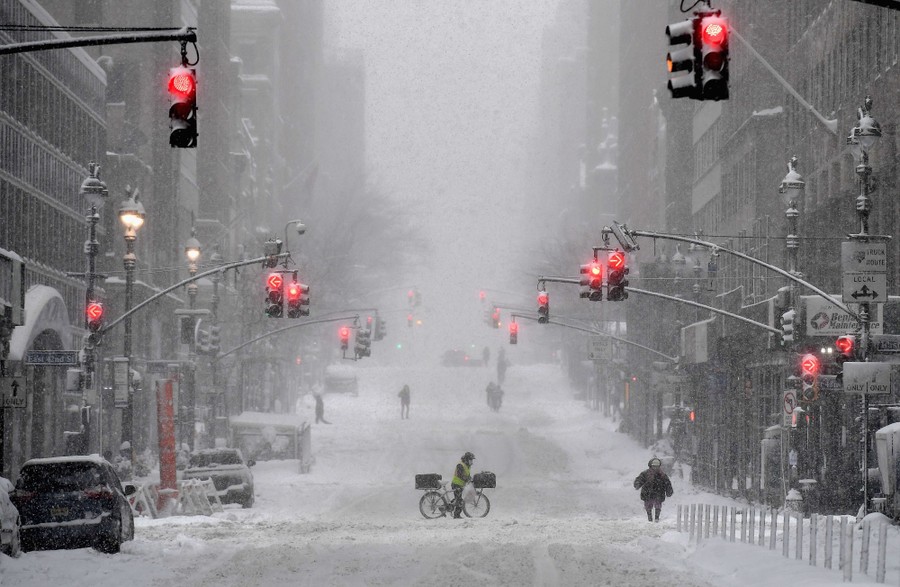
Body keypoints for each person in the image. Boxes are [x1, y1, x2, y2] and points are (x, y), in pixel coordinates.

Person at [633, 457, 674, 522]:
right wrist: (637, 484)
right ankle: (649, 518)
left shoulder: (662, 475)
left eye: (657, 466)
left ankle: (657, 518)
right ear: (651, 466)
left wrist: (669, 491)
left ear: (659, 466)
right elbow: (639, 479)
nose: (655, 468)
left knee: (658, 505)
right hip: (647, 493)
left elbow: (667, 483)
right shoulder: (645, 474)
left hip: (659, 493)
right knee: (648, 505)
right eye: (654, 466)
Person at [450, 452, 475, 519]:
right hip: (456, 484)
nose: (472, 462)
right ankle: (456, 515)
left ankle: (449, 507)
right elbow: (460, 475)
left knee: (458, 498)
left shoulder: (467, 466)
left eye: (472, 460)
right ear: (467, 459)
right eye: (471, 460)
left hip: (460, 484)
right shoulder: (460, 465)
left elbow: (467, 475)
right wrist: (467, 479)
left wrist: (471, 479)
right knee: (459, 500)